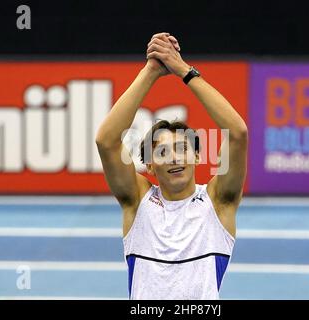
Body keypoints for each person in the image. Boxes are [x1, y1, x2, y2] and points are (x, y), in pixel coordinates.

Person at [95, 32, 248, 299]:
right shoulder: (137, 201)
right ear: (151, 167)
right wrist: (151, 70)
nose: (175, 158)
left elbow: (237, 133)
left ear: (197, 157)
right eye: (163, 151)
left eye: (182, 149)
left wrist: (184, 71)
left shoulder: (218, 202)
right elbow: (106, 141)